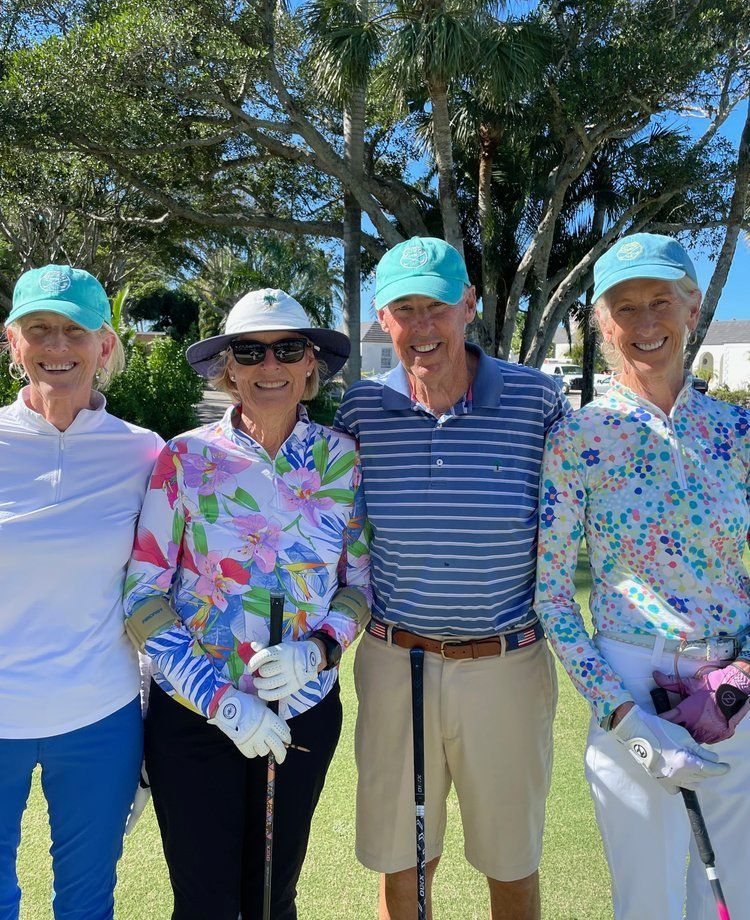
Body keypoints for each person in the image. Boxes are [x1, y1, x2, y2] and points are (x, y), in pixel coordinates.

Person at [335, 237, 568, 920]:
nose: (422, 327)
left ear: (469, 304)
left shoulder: (537, 400)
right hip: (395, 659)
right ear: (383, 319)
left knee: (512, 866)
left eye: (436, 306)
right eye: (404, 310)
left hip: (506, 662)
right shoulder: (361, 410)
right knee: (404, 869)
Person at [123, 288, 371, 920]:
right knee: (203, 905)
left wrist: (319, 651)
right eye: (250, 352)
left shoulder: (344, 458)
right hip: (195, 718)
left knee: (272, 900)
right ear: (227, 367)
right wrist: (220, 701)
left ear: (311, 363)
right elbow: (143, 598)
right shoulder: (185, 457)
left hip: (302, 711)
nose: (270, 366)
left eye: (287, 349)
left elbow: (359, 586)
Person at [535, 233, 750, 919]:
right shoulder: (578, 438)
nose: (645, 322)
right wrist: (624, 718)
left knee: (735, 897)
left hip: (736, 688)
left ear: (692, 309)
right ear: (603, 324)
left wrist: (742, 677)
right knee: (647, 904)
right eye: (625, 307)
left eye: (661, 301)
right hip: (631, 684)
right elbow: (552, 597)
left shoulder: (738, 431)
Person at [0, 264, 163, 920]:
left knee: (88, 902)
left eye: (76, 331)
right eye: (40, 328)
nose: (58, 346)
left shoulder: (145, 454)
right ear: (13, 341)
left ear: (105, 345)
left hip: (100, 715)